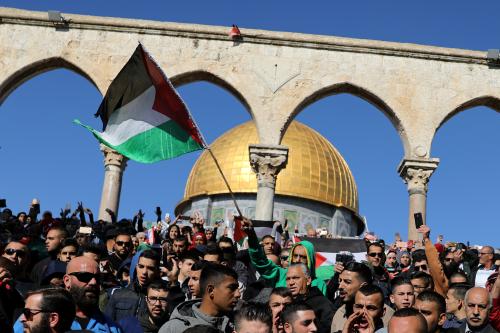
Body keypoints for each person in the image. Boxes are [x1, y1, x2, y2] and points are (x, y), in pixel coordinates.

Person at [242, 217, 327, 295]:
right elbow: (260, 261)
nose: (297, 260)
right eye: (295, 255)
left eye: (303, 257)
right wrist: (251, 235)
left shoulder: (319, 284)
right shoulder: (280, 274)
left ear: (310, 260)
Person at [159, 263, 241, 333]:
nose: (238, 294)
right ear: (211, 290)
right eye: (232, 288)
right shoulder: (174, 329)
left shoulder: (239, 324)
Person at [106, 249, 161, 321]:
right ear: (136, 267)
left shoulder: (160, 300)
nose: (144, 272)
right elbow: (106, 324)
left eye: (150, 268)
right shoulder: (118, 294)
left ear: (157, 271)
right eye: (141, 266)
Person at [285, 263, 334, 333]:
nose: (291, 282)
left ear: (308, 281)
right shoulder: (286, 304)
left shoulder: (323, 304)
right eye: (288, 279)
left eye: (296, 278)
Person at [331, 262, 374, 332]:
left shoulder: (385, 316)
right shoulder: (339, 313)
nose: (340, 286)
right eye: (340, 281)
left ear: (363, 286)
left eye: (347, 282)